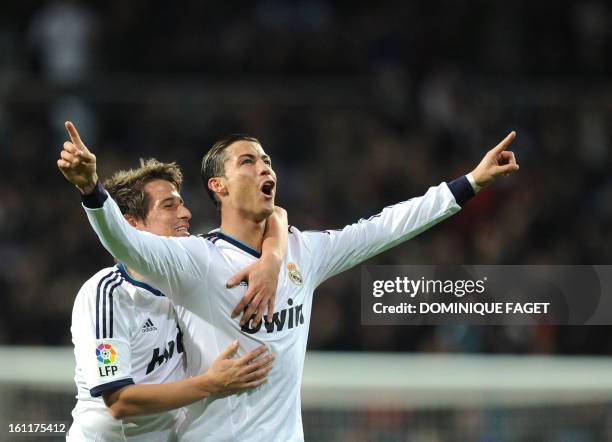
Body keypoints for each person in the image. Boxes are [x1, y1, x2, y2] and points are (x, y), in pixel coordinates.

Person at [58, 122, 519, 441]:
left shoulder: (305, 252)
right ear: (217, 186)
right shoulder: (194, 261)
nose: (264, 167)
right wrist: (91, 191)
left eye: (267, 160)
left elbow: (386, 227)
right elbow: (126, 243)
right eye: (247, 162)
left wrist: (470, 183)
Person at [67, 158, 286, 441]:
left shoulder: (193, 276)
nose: (186, 213)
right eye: (169, 205)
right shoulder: (108, 293)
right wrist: (211, 383)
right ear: (130, 224)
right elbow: (120, 402)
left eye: (182, 203)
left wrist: (272, 258)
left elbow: (275, 214)